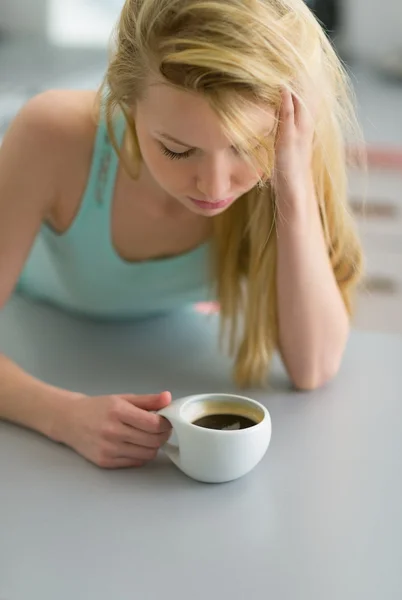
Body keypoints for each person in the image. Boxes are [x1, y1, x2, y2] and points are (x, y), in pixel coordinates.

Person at [0, 0, 363, 469]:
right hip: (33, 329)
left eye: (246, 146)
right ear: (127, 105)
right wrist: (64, 416)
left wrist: (291, 180)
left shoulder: (287, 158)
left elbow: (313, 367)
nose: (214, 187)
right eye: (176, 150)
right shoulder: (51, 135)